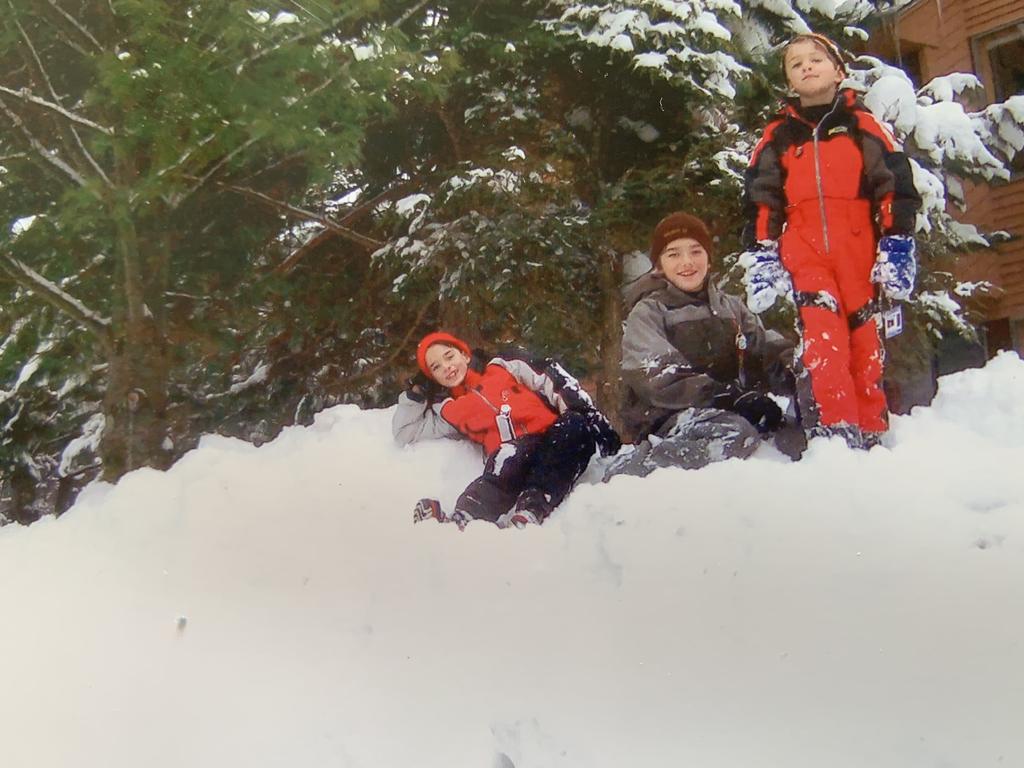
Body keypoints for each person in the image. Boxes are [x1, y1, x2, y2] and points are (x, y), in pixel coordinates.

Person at [741, 32, 922, 448]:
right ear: (789, 81)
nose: (806, 66)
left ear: (839, 71)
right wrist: (764, 253)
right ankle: (835, 435)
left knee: (864, 344)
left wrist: (897, 242)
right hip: (806, 253)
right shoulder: (778, 136)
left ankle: (871, 432)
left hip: (858, 249)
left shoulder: (863, 125)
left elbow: (894, 185)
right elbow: (761, 198)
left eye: (816, 59)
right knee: (824, 343)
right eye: (795, 63)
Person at [606, 212, 799, 479]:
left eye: (696, 251)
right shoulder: (649, 312)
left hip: (731, 412)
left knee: (794, 437)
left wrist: (796, 366)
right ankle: (636, 472)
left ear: (708, 257)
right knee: (733, 433)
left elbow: (766, 348)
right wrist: (728, 397)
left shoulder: (731, 308)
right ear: (659, 265)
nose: (687, 262)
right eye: (673, 254)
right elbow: (657, 375)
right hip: (670, 418)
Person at [393, 332, 620, 529]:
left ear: (464, 354)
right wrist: (416, 393)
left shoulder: (501, 367)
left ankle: (532, 508)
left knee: (574, 426)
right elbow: (405, 431)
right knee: (502, 465)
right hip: (512, 455)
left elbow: (551, 380)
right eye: (436, 368)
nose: (447, 367)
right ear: (434, 379)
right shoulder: (450, 409)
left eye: (449, 356)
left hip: (553, 438)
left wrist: (587, 413)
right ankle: (463, 518)